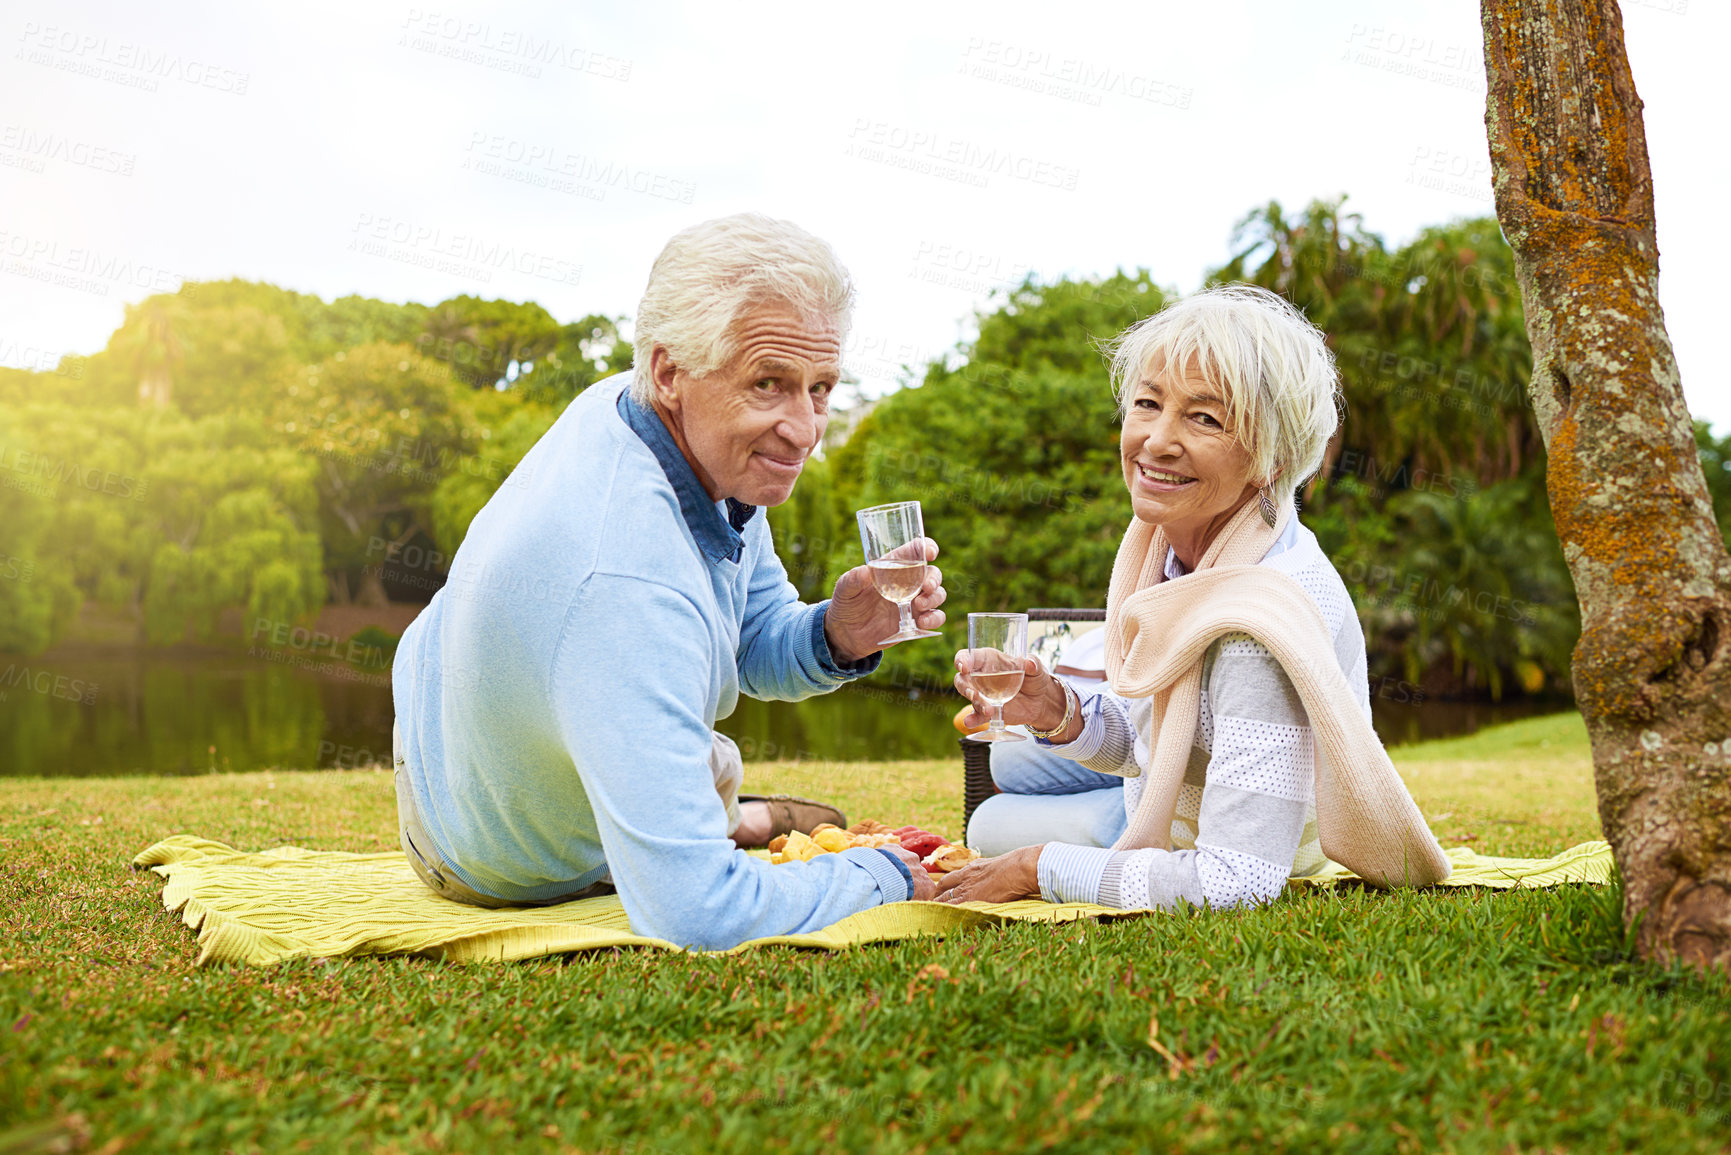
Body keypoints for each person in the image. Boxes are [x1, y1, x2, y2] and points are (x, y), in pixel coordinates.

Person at [391, 213, 945, 949]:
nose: (805, 428)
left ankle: (728, 808)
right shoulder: (623, 577)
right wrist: (889, 873)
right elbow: (699, 915)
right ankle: (732, 814)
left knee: (675, 747)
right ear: (669, 371)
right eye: (768, 384)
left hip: (481, 747)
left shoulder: (657, 424)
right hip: (486, 859)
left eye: (820, 388)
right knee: (679, 760)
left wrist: (834, 634)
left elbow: (749, 637)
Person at [937, 284, 1449, 909]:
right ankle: (1119, 822)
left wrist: (1036, 869)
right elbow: (1154, 740)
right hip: (1186, 788)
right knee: (1009, 768)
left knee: (994, 830)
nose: (1156, 440)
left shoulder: (1259, 623)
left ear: (1271, 456)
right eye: (1148, 403)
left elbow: (1237, 883)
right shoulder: (1169, 551)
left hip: (1270, 834)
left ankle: (1122, 836)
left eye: (1204, 418)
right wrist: (1055, 708)